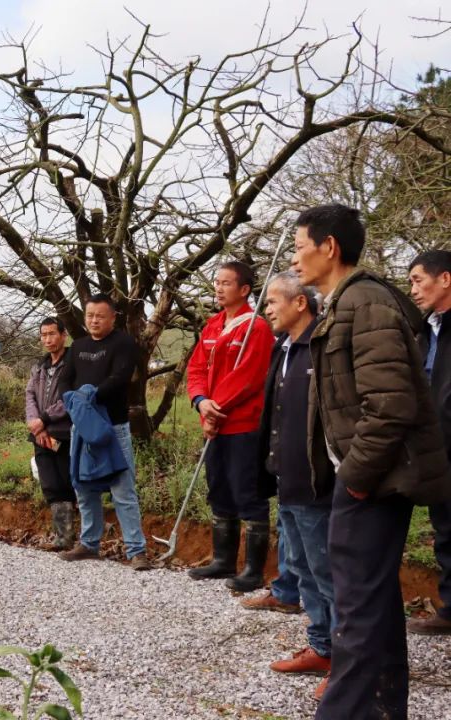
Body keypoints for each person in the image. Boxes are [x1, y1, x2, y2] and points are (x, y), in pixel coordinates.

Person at [292, 204, 451, 714]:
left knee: (357, 608)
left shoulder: (366, 303)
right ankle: (382, 708)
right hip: (365, 476)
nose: (296, 259)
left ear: (329, 247)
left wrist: (355, 478)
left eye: (299, 247)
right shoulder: (347, 302)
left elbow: (391, 403)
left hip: (374, 479)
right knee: (373, 603)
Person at [257, 272, 335, 685]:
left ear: (300, 303)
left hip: (316, 480)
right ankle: (321, 647)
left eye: (273, 301)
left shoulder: (320, 346)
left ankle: (344, 658)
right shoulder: (283, 348)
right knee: (302, 567)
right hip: (286, 477)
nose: (267, 309)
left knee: (324, 569)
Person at [186, 261, 275, 591]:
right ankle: (223, 560)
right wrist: (200, 402)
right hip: (213, 424)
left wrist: (215, 409)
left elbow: (248, 377)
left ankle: (253, 569)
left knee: (246, 491)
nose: (218, 288)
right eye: (216, 282)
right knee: (219, 488)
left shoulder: (257, 328)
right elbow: (196, 369)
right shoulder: (211, 326)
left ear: (244, 289)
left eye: (226, 283)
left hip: (242, 425)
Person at [57, 296, 150, 570]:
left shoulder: (123, 343)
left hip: (113, 427)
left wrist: (90, 394)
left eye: (100, 316)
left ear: (113, 318)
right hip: (82, 428)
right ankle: (89, 543)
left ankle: (137, 551)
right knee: (83, 487)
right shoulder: (78, 347)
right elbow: (65, 380)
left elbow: (120, 377)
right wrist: (73, 399)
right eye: (89, 316)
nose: (94, 321)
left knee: (123, 490)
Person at [406, 249, 451, 635]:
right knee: (446, 529)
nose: (414, 290)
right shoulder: (424, 330)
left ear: (445, 279)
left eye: (418, 280)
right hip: (437, 450)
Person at [25, 318, 78, 550]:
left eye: (52, 334)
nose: (47, 339)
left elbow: (71, 399)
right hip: (40, 434)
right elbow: (30, 396)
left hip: (65, 433)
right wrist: (35, 424)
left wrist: (44, 419)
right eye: (43, 335)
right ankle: (62, 536)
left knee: (67, 481)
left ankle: (77, 537)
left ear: (63, 335)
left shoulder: (73, 364)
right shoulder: (39, 367)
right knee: (49, 483)